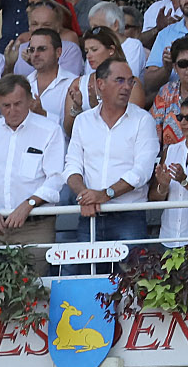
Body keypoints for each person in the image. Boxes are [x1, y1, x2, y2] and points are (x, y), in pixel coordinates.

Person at [0, 73, 63, 269]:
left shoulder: (50, 129)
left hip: (36, 225)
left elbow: (55, 179)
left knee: (38, 289)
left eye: (18, 104)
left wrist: (27, 205)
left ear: (30, 99)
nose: (12, 110)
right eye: (6, 105)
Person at [65, 59, 159, 242]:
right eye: (119, 80)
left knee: (131, 271)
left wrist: (105, 194)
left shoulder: (143, 120)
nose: (126, 87)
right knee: (85, 271)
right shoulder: (83, 121)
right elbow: (72, 167)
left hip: (128, 215)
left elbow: (142, 171)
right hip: (90, 213)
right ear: (100, 84)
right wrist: (85, 195)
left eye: (130, 81)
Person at [26, 25, 73, 126]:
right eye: (32, 50)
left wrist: (44, 114)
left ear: (58, 52)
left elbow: (76, 128)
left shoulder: (73, 83)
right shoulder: (24, 83)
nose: (35, 54)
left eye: (42, 49)